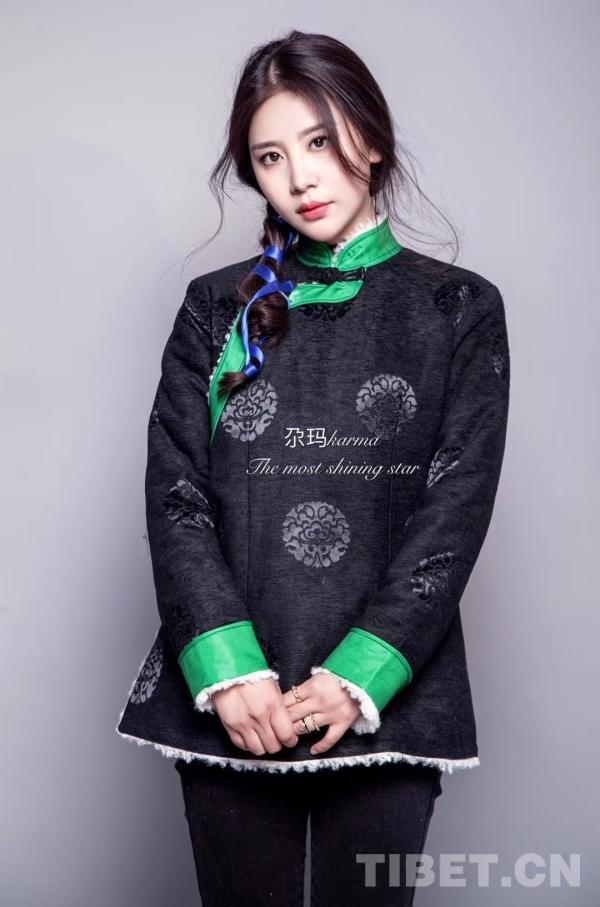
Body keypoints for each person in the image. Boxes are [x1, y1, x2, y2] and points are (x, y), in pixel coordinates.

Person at [116, 29, 510, 905]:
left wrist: (361, 673)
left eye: (320, 141)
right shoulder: (214, 307)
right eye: (270, 156)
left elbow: (458, 502)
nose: (299, 177)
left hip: (389, 697)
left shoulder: (459, 308)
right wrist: (230, 668)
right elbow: (175, 492)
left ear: (371, 138)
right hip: (233, 699)